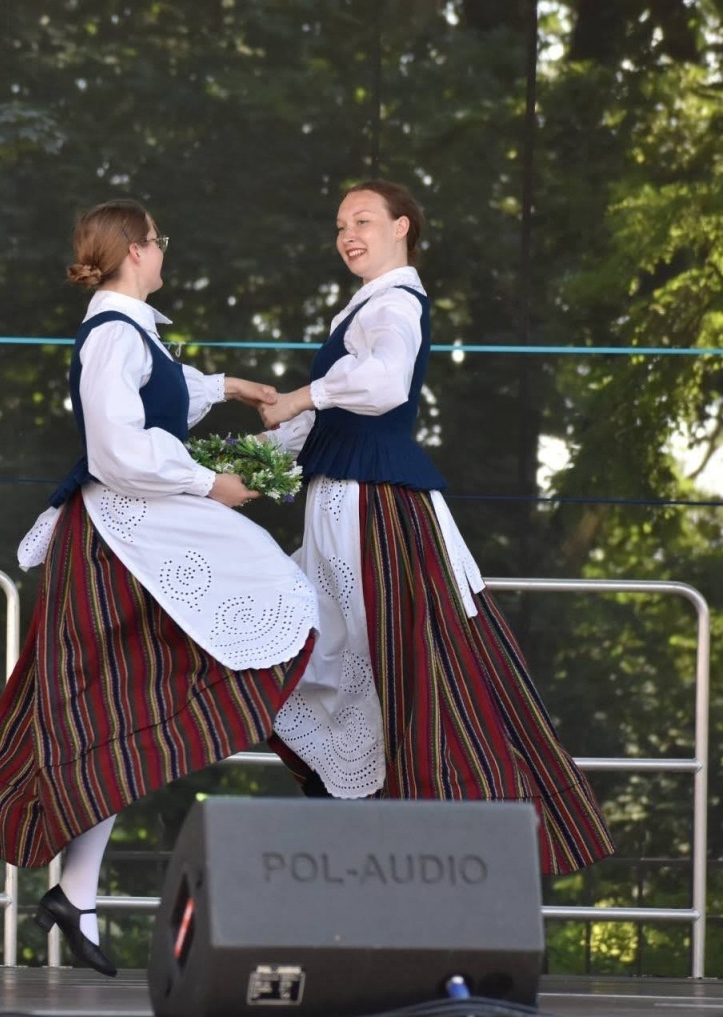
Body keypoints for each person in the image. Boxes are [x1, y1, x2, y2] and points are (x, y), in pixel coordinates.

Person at [0, 199, 319, 976]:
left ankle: (77, 894)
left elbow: (163, 396)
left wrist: (225, 385)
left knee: (118, 713)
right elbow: (117, 448)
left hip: (133, 539)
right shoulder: (112, 335)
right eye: (159, 240)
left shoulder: (130, 332)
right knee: (116, 708)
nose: (163, 251)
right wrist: (209, 482)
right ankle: (77, 888)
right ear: (135, 249)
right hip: (115, 542)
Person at [258, 179, 613, 874]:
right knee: (360, 667)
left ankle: (443, 859)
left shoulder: (394, 303)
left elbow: (385, 382)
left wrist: (303, 394)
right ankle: (375, 849)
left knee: (407, 675)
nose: (348, 234)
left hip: (377, 517)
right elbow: (322, 422)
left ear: (403, 227)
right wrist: (234, 467)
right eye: (340, 225)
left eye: (363, 220)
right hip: (346, 512)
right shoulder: (368, 305)